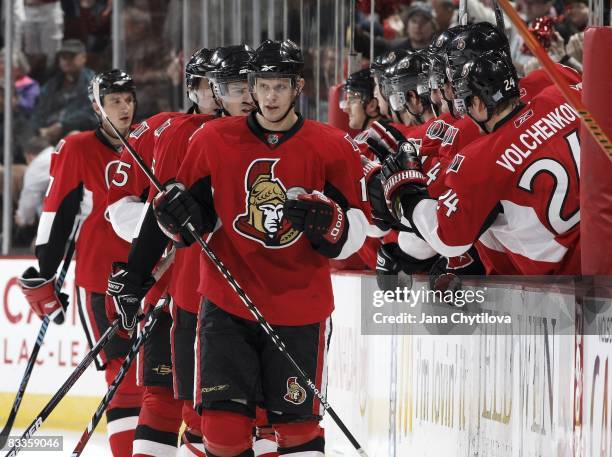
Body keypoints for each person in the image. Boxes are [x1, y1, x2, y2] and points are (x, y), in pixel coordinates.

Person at [151, 39, 368, 457]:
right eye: (262, 86)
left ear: (297, 87)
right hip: (227, 302)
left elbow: (356, 231)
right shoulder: (212, 139)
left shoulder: (331, 145)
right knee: (221, 433)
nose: (270, 97)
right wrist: (175, 215)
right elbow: (193, 218)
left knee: (298, 434)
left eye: (280, 86)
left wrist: (333, 223)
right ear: (251, 86)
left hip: (300, 307)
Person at [18, 70, 143, 457]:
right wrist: (45, 270)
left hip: (154, 281)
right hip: (100, 282)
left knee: (156, 381)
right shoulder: (77, 148)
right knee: (122, 378)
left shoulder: (149, 142)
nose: (123, 107)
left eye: (127, 98)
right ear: (96, 107)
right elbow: (56, 213)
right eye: (113, 100)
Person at [379, 48, 581, 275]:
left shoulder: (481, 158)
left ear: (478, 103)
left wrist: (407, 195)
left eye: (465, 103)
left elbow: (449, 239)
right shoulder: (560, 95)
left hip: (566, 280)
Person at [30, 39, 97, 144]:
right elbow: (38, 112)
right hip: (49, 134)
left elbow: (92, 115)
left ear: (84, 57)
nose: (66, 60)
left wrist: (62, 125)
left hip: (80, 134)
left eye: (71, 56)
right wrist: (39, 130)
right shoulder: (51, 85)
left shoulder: (94, 83)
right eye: (63, 57)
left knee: (74, 136)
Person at [15, 136, 53, 229]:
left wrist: (23, 217)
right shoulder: (56, 154)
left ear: (29, 156)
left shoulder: (37, 165)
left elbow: (30, 195)